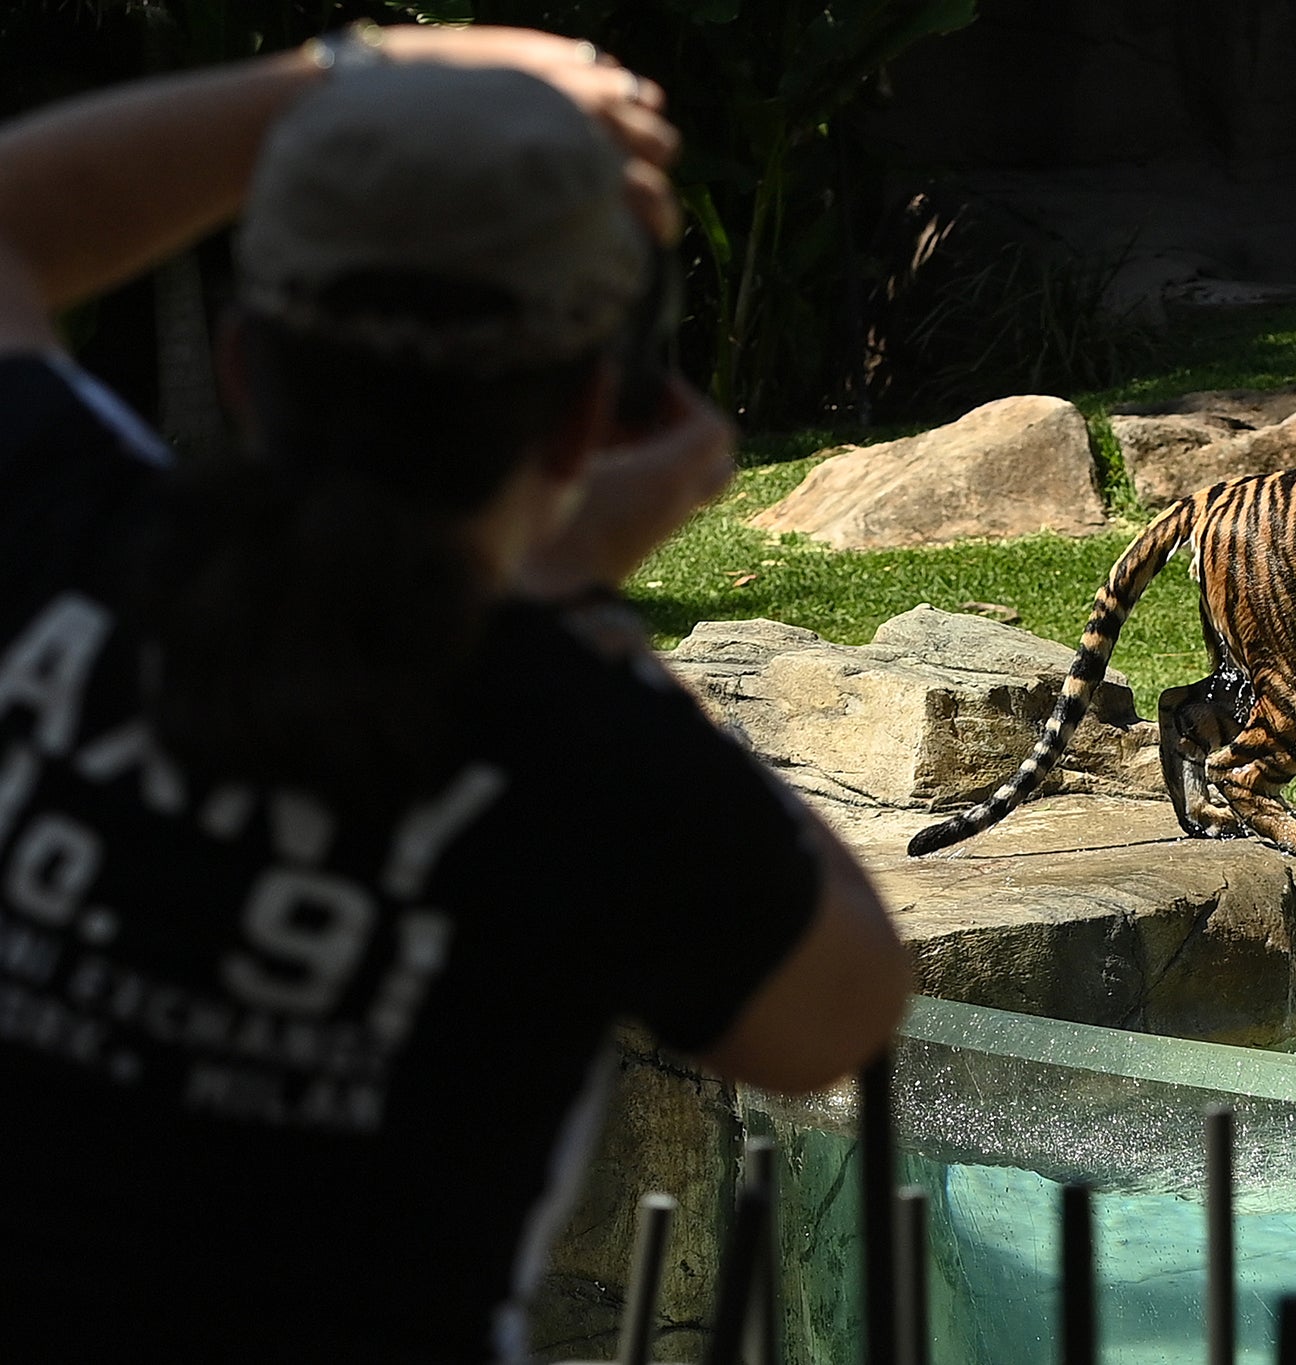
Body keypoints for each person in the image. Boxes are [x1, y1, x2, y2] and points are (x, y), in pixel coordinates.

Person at [0, 23, 911, 1364]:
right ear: (581, 420)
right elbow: (842, 1001)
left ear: (246, 364)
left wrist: (355, 76)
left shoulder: (56, 538)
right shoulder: (590, 759)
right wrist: (570, 598)